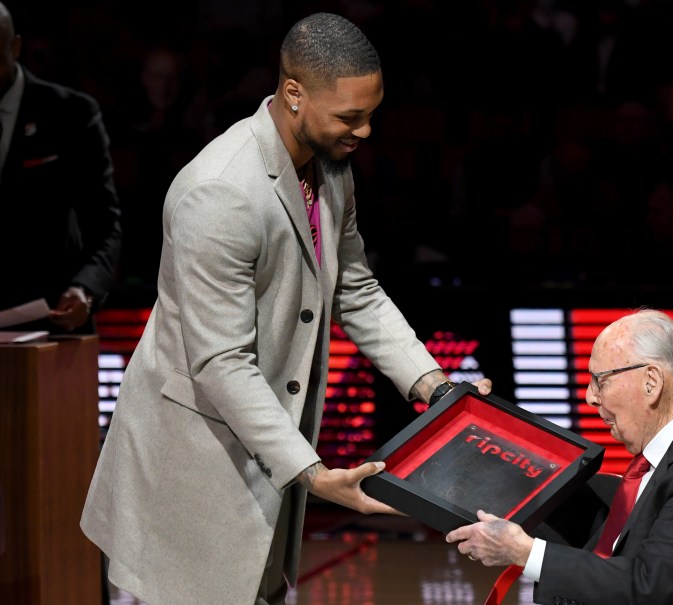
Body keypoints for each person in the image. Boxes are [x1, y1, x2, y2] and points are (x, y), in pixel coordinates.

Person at [80, 12, 491, 605]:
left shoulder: (331, 165)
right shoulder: (219, 193)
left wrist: (434, 388)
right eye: (350, 116)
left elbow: (354, 288)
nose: (366, 131)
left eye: (372, 112)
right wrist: (315, 473)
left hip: (267, 445)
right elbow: (220, 361)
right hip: (194, 462)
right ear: (293, 94)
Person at [447, 308, 673, 605]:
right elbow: (585, 533)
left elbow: (652, 589)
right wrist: (469, 429)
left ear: (651, 382)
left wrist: (525, 553)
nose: (589, 395)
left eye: (601, 379)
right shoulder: (666, 458)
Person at [0, 1, 122, 334]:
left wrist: (85, 288)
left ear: (15, 46)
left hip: (54, 326)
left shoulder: (72, 115)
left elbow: (105, 226)